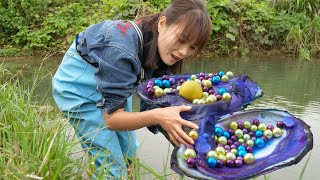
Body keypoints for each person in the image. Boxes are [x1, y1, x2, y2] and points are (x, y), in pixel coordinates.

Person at [52, 0, 211, 178]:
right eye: (181, 40)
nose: (183, 52)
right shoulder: (121, 48)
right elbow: (112, 120)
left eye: (192, 47)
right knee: (111, 167)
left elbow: (155, 104)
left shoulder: (165, 51)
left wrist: (188, 140)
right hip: (78, 86)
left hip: (117, 82)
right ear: (162, 24)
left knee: (129, 155)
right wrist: (159, 116)